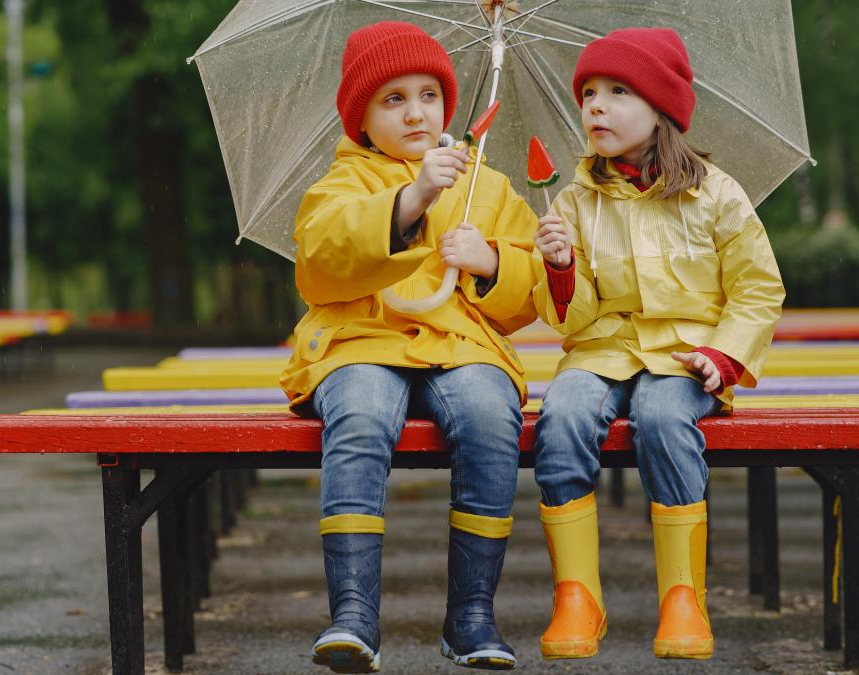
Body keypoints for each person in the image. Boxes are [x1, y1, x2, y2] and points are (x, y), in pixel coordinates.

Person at [279, 20, 540, 673]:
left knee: (488, 414)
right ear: (362, 118)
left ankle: (472, 614)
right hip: (360, 340)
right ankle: (353, 611)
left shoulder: (487, 184)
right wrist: (415, 195)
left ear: (449, 105)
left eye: (428, 94)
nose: (415, 111)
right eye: (393, 99)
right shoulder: (343, 183)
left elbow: (530, 295)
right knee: (361, 413)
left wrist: (490, 262)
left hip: (459, 343)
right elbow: (321, 257)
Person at [530, 27, 785, 661]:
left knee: (663, 416)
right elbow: (570, 322)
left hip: (685, 356)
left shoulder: (716, 195)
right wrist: (560, 269)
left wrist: (723, 356)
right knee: (560, 417)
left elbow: (757, 290)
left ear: (662, 108)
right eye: (588, 92)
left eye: (618, 91)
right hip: (602, 350)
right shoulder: (574, 201)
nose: (596, 105)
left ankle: (682, 595)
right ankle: (576, 595)